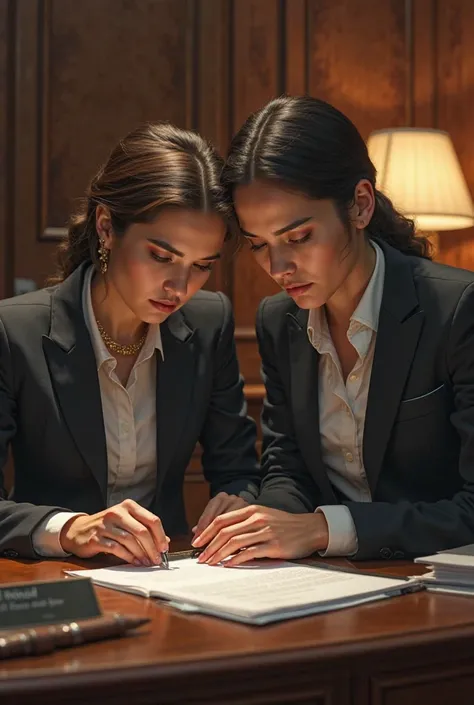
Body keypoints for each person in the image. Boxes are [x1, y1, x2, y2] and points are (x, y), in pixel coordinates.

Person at [192, 95, 474, 566]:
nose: (279, 266)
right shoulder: (277, 320)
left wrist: (322, 529)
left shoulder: (458, 309)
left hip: (440, 585)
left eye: (299, 237)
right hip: (327, 581)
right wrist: (263, 520)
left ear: (360, 206)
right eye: (259, 245)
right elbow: (288, 468)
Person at [0, 122, 260, 563]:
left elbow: (237, 467)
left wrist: (237, 500)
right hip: (51, 582)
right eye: (161, 256)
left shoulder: (209, 321)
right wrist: (69, 529)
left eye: (202, 266)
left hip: (172, 575)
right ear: (106, 227)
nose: (179, 287)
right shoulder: (14, 332)